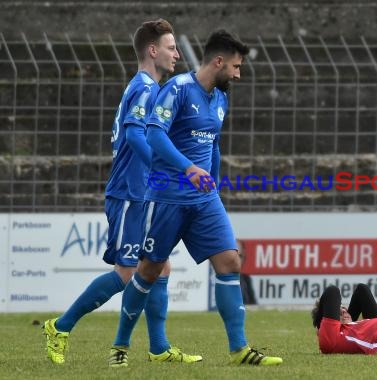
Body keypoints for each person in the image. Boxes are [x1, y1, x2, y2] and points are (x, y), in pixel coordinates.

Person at [108, 29, 282, 367]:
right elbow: (154, 136)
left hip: (204, 200)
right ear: (218, 61)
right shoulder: (176, 89)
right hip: (167, 197)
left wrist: (213, 183)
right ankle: (120, 346)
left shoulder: (220, 98)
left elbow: (213, 144)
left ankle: (240, 349)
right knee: (148, 270)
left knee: (230, 260)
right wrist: (188, 169)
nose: (238, 73)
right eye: (235, 66)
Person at [43, 19, 201, 365]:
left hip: (140, 190)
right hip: (130, 192)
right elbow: (132, 135)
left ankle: (158, 347)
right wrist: (165, 167)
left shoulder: (146, 87)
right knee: (127, 273)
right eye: (171, 47)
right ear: (152, 50)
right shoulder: (145, 87)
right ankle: (60, 325)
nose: (177, 54)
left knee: (161, 267)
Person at [237, 239, 257, 305]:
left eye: (240, 256)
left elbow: (253, 306)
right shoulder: (214, 282)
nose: (236, 261)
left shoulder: (246, 279)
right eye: (233, 256)